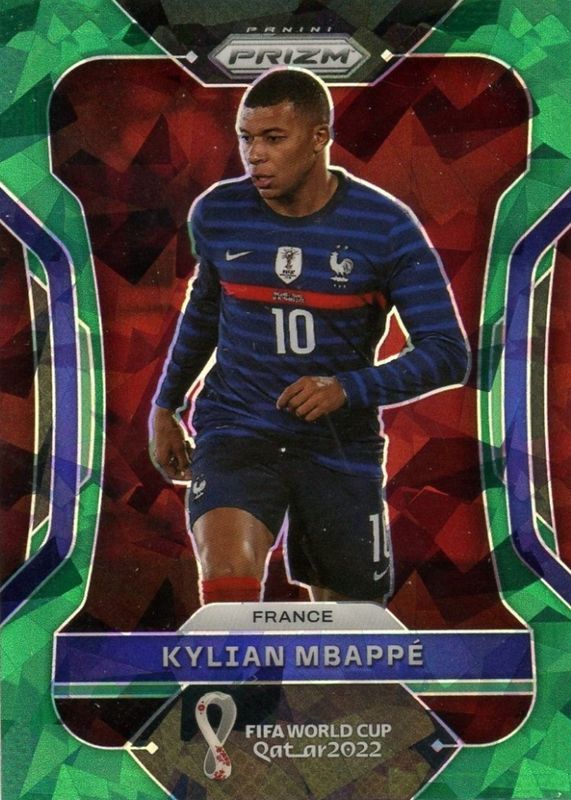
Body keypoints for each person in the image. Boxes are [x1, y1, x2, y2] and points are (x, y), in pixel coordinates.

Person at [150, 68, 469, 606]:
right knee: (227, 586)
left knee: (351, 630)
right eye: (246, 138)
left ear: (320, 137)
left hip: (339, 445)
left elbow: (447, 353)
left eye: (274, 138)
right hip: (238, 428)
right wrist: (166, 404)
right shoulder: (218, 213)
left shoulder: (385, 226)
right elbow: (204, 311)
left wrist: (347, 388)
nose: (255, 155)